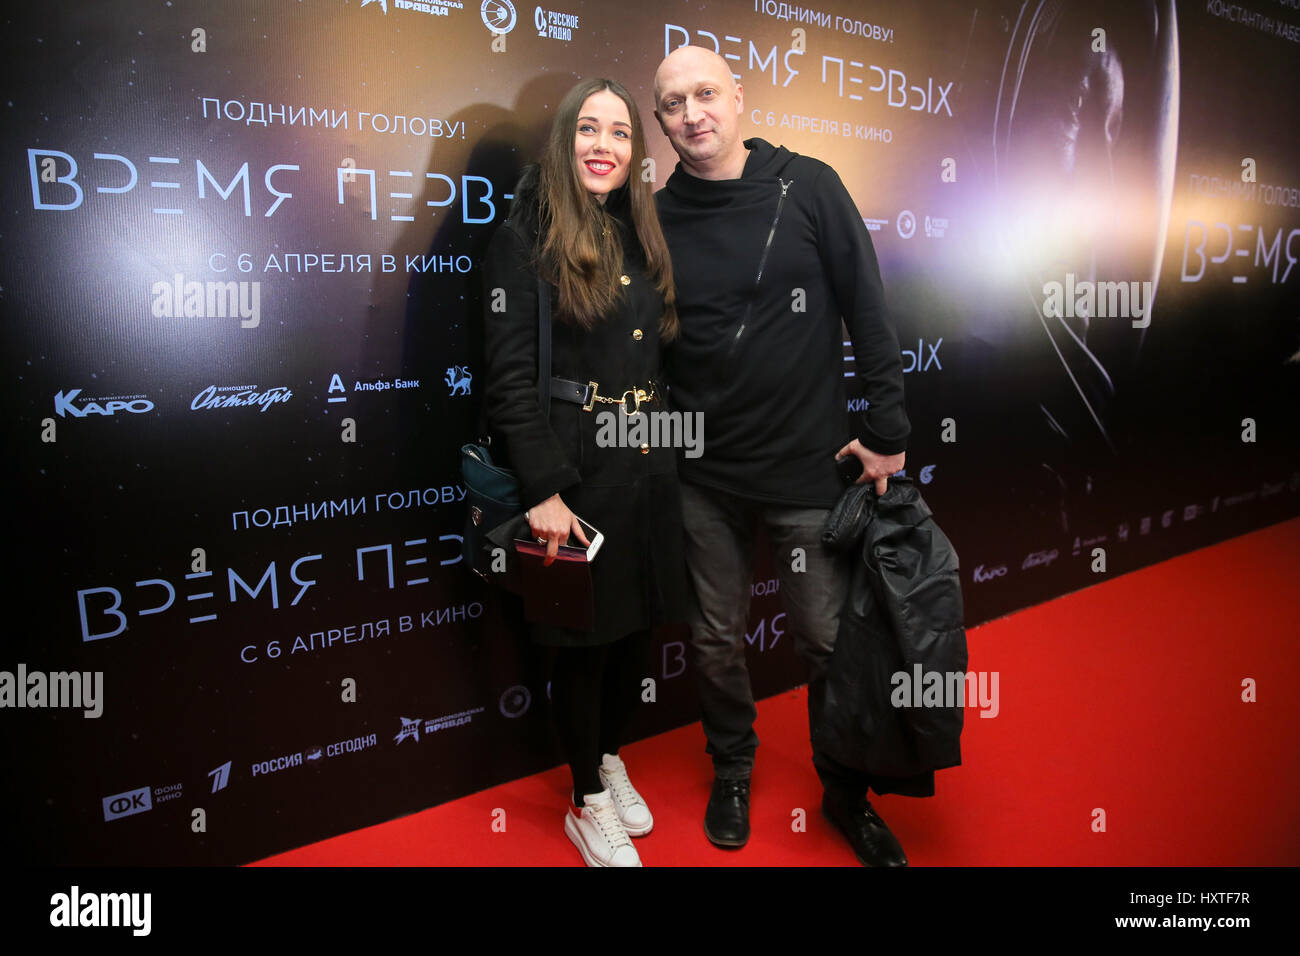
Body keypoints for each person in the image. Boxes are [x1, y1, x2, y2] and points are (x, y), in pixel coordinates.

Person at [652, 46, 912, 866]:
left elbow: (868, 306)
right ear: (659, 122)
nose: (692, 114)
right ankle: (732, 766)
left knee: (826, 642)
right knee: (715, 641)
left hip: (808, 468)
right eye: (671, 103)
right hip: (702, 474)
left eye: (705, 94)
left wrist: (890, 428)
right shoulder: (653, 214)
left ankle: (845, 790)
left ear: (739, 97)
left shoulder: (810, 185)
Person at [480, 77, 688, 867]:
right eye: (588, 131)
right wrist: (543, 489)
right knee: (582, 645)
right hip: (574, 471)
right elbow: (506, 379)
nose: (605, 146)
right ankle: (585, 801)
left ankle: (607, 756)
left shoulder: (640, 233)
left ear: (637, 152)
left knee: (632, 630)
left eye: (621, 133)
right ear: (564, 141)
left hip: (645, 464)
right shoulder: (523, 237)